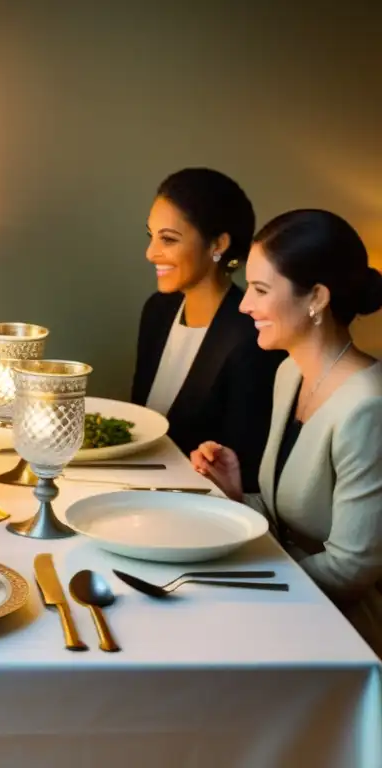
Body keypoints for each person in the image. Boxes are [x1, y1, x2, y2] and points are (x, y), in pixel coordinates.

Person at [192, 209, 382, 655]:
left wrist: (237, 577)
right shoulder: (289, 375)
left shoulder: (368, 408)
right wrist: (240, 495)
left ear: (316, 297)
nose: (243, 305)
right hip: (288, 603)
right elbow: (293, 522)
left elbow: (351, 571)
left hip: (344, 635)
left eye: (260, 290)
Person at [132, 168, 284, 491]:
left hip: (200, 509)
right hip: (137, 490)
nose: (150, 253)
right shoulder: (157, 311)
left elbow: (246, 471)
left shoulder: (251, 335)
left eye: (168, 239)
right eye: (151, 236)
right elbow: (139, 425)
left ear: (218, 244)